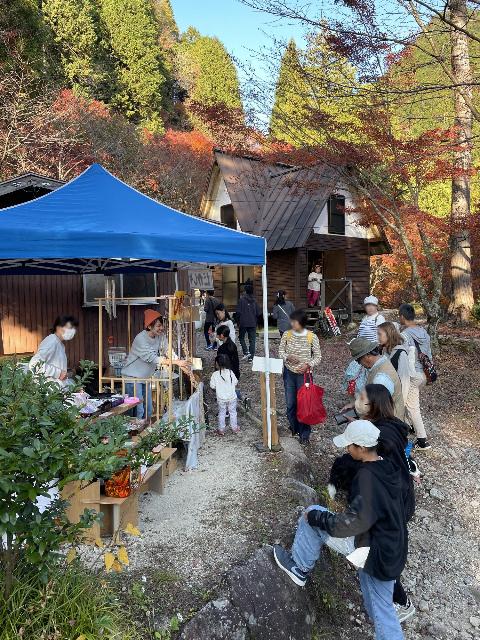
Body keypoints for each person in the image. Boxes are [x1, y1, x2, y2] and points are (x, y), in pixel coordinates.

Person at [273, 420, 407, 640]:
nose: (347, 449)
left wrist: (318, 518)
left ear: (361, 448)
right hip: (394, 545)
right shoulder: (388, 466)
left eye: (349, 445)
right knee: (378, 604)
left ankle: (299, 569)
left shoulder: (366, 476)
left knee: (313, 512)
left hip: (374, 550)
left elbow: (355, 523)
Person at [329, 385, 417, 624]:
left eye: (362, 398)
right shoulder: (386, 427)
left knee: (381, 550)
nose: (357, 401)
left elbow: (374, 466)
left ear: (374, 405)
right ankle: (393, 598)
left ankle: (400, 602)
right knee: (382, 547)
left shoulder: (384, 437)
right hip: (396, 498)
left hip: (393, 502)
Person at [279, 309, 322, 445]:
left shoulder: (311, 337)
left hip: (305, 375)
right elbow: (280, 351)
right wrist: (287, 357)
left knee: (304, 405)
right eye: (292, 321)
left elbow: (318, 357)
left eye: (295, 321)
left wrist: (308, 365)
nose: (292, 323)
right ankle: (294, 427)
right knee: (290, 404)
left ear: (302, 323)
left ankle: (305, 434)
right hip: (289, 373)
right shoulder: (286, 335)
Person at [122, 310, 168, 420]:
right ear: (149, 326)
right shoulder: (140, 338)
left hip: (145, 377)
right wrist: (174, 362)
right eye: (158, 326)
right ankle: (134, 434)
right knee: (138, 410)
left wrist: (175, 359)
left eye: (162, 325)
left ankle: (145, 434)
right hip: (133, 378)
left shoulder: (160, 336)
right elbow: (151, 358)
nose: (161, 328)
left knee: (148, 410)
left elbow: (167, 349)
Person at [344, 337, 405, 420]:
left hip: (388, 423)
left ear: (367, 356)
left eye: (358, 360)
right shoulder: (382, 362)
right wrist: (355, 404)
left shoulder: (381, 378)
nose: (360, 364)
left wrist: (358, 422)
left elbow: (375, 408)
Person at [399, 304, 432, 451]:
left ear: (402, 316)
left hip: (412, 374)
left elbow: (404, 358)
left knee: (412, 407)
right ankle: (409, 426)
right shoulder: (424, 332)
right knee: (406, 401)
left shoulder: (405, 335)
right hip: (424, 373)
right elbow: (429, 355)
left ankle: (422, 441)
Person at [29, 315, 78, 386]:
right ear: (58, 328)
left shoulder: (59, 343)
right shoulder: (52, 341)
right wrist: (58, 373)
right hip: (49, 391)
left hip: (56, 389)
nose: (72, 331)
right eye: (70, 328)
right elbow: (34, 364)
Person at [378, 322, 410, 404]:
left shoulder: (401, 354)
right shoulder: (384, 350)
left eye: (379, 334)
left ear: (388, 334)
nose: (377, 337)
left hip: (395, 399)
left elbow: (404, 381)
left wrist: (400, 403)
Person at [210, 353, 239, 435]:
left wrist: (219, 388)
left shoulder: (215, 375)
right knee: (233, 412)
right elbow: (235, 382)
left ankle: (221, 429)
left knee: (222, 413)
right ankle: (235, 428)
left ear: (217, 364)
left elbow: (212, 386)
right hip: (232, 397)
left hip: (221, 398)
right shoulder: (230, 372)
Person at [236, 282, 261, 362]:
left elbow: (238, 312)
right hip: (253, 323)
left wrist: (237, 321)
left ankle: (246, 351)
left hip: (243, 322)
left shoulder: (241, 300)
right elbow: (258, 313)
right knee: (252, 340)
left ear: (245, 291)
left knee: (241, 337)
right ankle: (251, 357)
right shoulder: (255, 301)